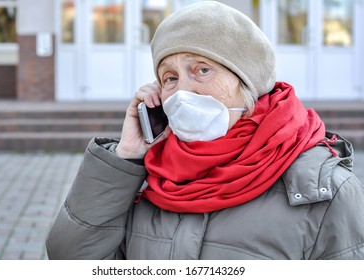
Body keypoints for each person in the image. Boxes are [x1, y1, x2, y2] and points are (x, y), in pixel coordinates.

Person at [46, 1, 364, 259]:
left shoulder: (324, 190)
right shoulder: (146, 177)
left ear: (248, 82)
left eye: (201, 70)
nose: (183, 91)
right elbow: (71, 260)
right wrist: (126, 157)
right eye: (170, 77)